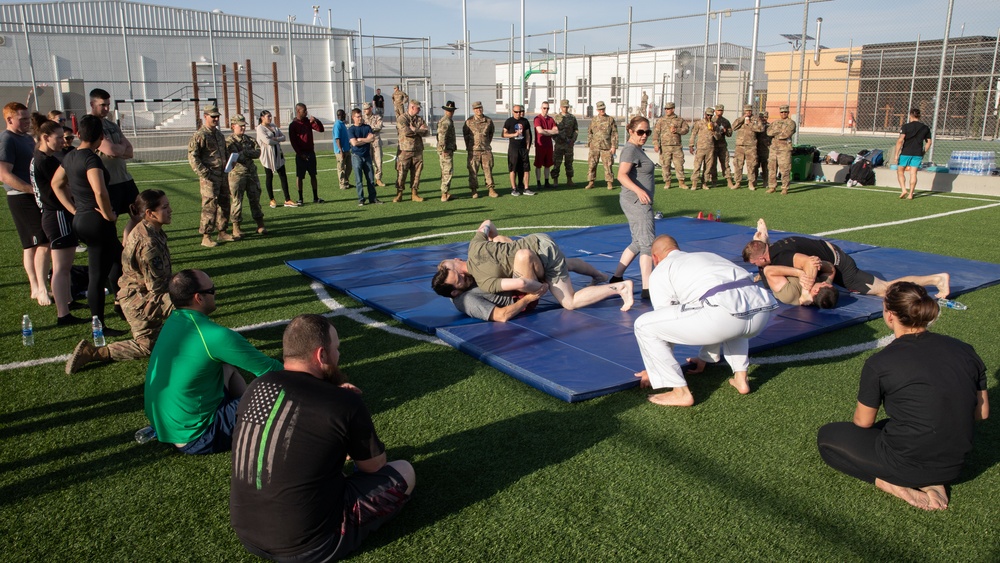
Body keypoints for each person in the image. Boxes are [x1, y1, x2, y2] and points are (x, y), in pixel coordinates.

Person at [230, 314, 415, 561]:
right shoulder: (345, 402)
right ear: (321, 355)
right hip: (310, 546)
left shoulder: (257, 386)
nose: (339, 355)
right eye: (336, 349)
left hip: (246, 533)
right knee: (404, 471)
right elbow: (373, 466)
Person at [817, 282, 988, 510]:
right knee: (895, 424)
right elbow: (981, 413)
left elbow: (863, 422)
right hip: (954, 466)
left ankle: (894, 485)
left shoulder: (881, 362)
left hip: (906, 465)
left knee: (827, 437)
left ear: (889, 315)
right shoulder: (965, 349)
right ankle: (933, 482)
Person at [144, 269, 283, 455]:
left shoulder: (174, 320)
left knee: (226, 367)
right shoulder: (214, 336)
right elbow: (273, 371)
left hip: (168, 427)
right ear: (198, 298)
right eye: (212, 289)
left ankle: (242, 413)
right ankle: (248, 420)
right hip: (198, 437)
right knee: (277, 390)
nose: (215, 293)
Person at [634, 235, 778, 406]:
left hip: (724, 315)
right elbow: (727, 305)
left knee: (644, 325)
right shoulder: (708, 255)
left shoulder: (661, 270)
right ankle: (741, 378)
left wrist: (654, 369)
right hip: (760, 311)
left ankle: (680, 392)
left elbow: (663, 326)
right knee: (733, 309)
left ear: (655, 258)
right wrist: (704, 358)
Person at [66, 189, 174, 373]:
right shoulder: (149, 243)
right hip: (139, 301)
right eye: (164, 207)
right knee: (190, 302)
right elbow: (157, 288)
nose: (170, 210)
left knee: (188, 297)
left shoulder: (149, 229)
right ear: (149, 213)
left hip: (138, 295)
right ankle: (93, 353)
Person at [742, 219, 951, 308]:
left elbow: (810, 264)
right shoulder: (770, 253)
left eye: (755, 262)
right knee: (766, 267)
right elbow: (762, 254)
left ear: (763, 256)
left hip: (839, 262)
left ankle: (936, 279)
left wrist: (806, 290)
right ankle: (763, 238)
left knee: (885, 290)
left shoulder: (785, 257)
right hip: (820, 253)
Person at [433, 219, 634, 312]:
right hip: (537, 240)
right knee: (563, 265)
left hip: (538, 254)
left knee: (570, 302)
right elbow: (487, 223)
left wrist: (540, 288)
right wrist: (501, 244)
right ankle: (599, 275)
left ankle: (619, 287)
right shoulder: (475, 246)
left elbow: (521, 282)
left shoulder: (485, 282)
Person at [50, 114, 128, 336]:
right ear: (101, 137)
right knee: (96, 276)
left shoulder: (71, 156)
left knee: (119, 261)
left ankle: (119, 303)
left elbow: (56, 184)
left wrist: (74, 210)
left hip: (82, 220)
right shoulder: (91, 159)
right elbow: (100, 191)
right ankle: (99, 327)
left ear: (78, 134)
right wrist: (108, 215)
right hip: (97, 222)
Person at [30, 115, 81, 324]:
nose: (63, 141)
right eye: (59, 137)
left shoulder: (43, 158)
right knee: (61, 267)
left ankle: (67, 300)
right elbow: (62, 187)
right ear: (45, 137)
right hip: (56, 214)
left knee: (65, 265)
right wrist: (74, 207)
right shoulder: (45, 161)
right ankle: (63, 314)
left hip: (55, 214)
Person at [1, 102, 51, 306]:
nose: (27, 122)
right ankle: (41, 288)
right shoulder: (6, 140)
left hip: (30, 195)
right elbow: (4, 174)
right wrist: (31, 189)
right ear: (9, 119)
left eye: (27, 118)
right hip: (20, 197)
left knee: (31, 244)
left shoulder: (26, 138)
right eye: (22, 119)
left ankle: (35, 286)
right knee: (43, 242)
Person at [609, 116, 656, 301]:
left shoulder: (636, 149)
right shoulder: (630, 150)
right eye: (640, 132)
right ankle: (647, 289)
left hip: (636, 201)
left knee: (638, 241)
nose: (644, 135)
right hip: (637, 202)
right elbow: (621, 175)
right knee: (647, 244)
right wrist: (639, 191)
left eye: (647, 132)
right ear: (630, 131)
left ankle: (616, 276)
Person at [89, 88, 140, 240]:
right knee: (111, 220)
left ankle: (126, 245)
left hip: (125, 179)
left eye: (108, 105)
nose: (106, 108)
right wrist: (118, 148)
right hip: (108, 182)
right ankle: (111, 252)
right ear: (92, 104)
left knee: (139, 214)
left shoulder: (112, 125)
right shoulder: (90, 124)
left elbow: (129, 151)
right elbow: (111, 150)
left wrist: (118, 149)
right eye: (102, 105)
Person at [188, 104, 234, 248]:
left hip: (223, 175)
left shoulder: (219, 135)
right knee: (210, 206)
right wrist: (204, 172)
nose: (216, 119)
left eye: (217, 116)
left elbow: (224, 153)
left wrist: (230, 163)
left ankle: (222, 231)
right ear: (205, 116)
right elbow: (193, 157)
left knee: (225, 203)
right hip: (209, 177)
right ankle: (206, 236)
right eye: (213, 116)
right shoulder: (200, 135)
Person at [226, 114, 266, 238]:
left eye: (244, 126)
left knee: (255, 199)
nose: (243, 128)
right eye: (240, 126)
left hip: (251, 173)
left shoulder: (249, 140)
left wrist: (244, 153)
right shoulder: (228, 142)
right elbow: (229, 156)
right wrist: (245, 154)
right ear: (233, 126)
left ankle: (260, 224)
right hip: (237, 175)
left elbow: (258, 151)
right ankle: (236, 227)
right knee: (237, 201)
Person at [256, 109, 296, 208]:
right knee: (269, 176)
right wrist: (275, 140)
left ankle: (287, 199)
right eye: (268, 116)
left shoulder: (273, 126)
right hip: (268, 155)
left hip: (278, 154)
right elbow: (267, 141)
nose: (270, 118)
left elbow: (283, 137)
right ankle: (272, 199)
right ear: (262, 117)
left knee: (283, 176)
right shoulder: (260, 128)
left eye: (270, 116)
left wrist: (276, 139)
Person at [288, 103, 325, 205]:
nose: (306, 112)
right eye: (304, 110)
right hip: (301, 155)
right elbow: (293, 142)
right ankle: (300, 198)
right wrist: (300, 154)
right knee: (300, 176)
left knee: (313, 175)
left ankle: (315, 197)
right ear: (298, 111)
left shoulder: (308, 122)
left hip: (310, 153)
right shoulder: (293, 125)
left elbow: (321, 129)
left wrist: (316, 121)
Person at [394, 100, 429, 203]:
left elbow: (426, 132)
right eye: (418, 108)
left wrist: (415, 129)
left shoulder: (419, 119)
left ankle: (414, 193)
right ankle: (399, 194)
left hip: (417, 150)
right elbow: (406, 132)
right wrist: (418, 130)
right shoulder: (402, 118)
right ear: (412, 107)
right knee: (401, 173)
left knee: (417, 174)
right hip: (405, 150)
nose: (419, 110)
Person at [894, 108, 932, 200]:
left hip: (906, 152)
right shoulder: (925, 127)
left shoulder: (906, 126)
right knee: (913, 173)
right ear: (919, 116)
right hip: (917, 153)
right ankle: (911, 194)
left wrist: (896, 154)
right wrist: (923, 152)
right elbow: (929, 143)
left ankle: (903, 189)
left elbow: (900, 140)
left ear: (910, 115)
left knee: (900, 171)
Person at [463, 101, 498, 198]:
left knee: (488, 170)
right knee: (473, 171)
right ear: (473, 110)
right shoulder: (468, 122)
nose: (479, 110)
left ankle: (491, 189)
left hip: (486, 150)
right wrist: (470, 147)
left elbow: (491, 134)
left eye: (480, 108)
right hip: (473, 151)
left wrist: (485, 144)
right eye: (476, 108)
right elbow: (466, 136)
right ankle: (474, 190)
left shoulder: (488, 121)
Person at [651, 101, 689, 189]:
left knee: (679, 164)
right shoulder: (661, 120)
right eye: (666, 109)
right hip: (665, 146)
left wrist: (677, 130)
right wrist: (656, 144)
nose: (667, 110)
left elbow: (686, 129)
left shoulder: (679, 119)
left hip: (676, 146)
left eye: (668, 109)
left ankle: (681, 182)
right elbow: (656, 133)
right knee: (665, 165)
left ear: (673, 109)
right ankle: (667, 182)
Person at [347, 108, 380, 206]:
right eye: (358, 117)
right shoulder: (351, 129)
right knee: (359, 179)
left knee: (370, 179)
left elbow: (372, 138)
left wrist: (361, 139)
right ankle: (361, 199)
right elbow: (354, 143)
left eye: (361, 116)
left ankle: (373, 198)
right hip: (356, 156)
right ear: (353, 118)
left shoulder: (367, 127)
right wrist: (366, 139)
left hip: (367, 156)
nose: (360, 118)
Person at [585, 101, 617, 190]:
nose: (602, 110)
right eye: (600, 109)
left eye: (603, 108)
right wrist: (590, 143)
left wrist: (613, 146)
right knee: (592, 165)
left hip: (606, 146)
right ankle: (591, 182)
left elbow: (614, 133)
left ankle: (609, 183)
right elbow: (590, 132)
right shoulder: (594, 120)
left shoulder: (610, 119)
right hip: (594, 147)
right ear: (597, 110)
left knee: (608, 165)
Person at [731, 104, 764, 190]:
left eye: (749, 111)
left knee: (751, 165)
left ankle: (751, 183)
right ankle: (737, 182)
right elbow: (733, 127)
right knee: (738, 164)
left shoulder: (756, 119)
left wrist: (750, 124)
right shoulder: (740, 119)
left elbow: (761, 129)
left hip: (751, 146)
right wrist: (743, 118)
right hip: (740, 146)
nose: (748, 112)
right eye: (746, 111)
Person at [503, 105, 533, 196]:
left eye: (520, 112)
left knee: (526, 169)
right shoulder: (509, 121)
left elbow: (528, 135)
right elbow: (504, 134)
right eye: (516, 112)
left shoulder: (525, 121)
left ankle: (526, 188)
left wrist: (527, 147)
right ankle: (514, 188)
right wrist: (514, 134)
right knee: (513, 169)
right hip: (513, 149)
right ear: (513, 112)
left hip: (523, 149)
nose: (518, 114)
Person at [766, 105, 797, 195]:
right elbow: (768, 132)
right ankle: (772, 186)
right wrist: (779, 132)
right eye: (782, 112)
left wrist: (776, 134)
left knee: (785, 169)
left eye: (785, 112)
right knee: (772, 168)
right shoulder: (775, 122)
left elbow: (786, 134)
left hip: (784, 149)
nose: (783, 114)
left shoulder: (791, 123)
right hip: (773, 149)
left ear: (788, 113)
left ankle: (785, 187)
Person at [688, 107, 719, 190]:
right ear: (705, 114)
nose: (709, 116)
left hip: (710, 148)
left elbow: (718, 137)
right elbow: (693, 134)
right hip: (701, 148)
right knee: (697, 166)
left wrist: (713, 131)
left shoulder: (714, 124)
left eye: (711, 115)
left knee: (708, 167)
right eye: (708, 115)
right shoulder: (699, 123)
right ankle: (694, 183)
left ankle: (704, 183)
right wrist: (691, 145)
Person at [551, 99, 578, 187]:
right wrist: (556, 139)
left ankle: (569, 180)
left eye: (566, 107)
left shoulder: (572, 118)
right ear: (560, 107)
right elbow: (553, 130)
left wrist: (573, 140)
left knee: (569, 163)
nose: (565, 108)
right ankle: (555, 180)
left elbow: (576, 130)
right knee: (556, 163)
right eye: (563, 107)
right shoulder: (556, 118)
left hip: (569, 144)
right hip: (559, 144)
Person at [532, 101, 558, 189]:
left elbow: (556, 131)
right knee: (538, 165)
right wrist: (550, 132)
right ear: (541, 108)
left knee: (548, 165)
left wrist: (545, 131)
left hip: (549, 145)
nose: (546, 110)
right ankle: (538, 182)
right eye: (544, 108)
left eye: (547, 108)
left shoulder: (551, 119)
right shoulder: (537, 119)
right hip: (540, 145)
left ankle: (546, 182)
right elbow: (540, 131)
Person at [709, 104, 735, 189]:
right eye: (718, 110)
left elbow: (730, 134)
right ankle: (714, 181)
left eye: (721, 110)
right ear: (715, 111)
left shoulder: (725, 121)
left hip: (722, 145)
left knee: (725, 163)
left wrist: (726, 131)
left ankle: (729, 180)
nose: (720, 112)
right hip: (712, 145)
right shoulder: (711, 120)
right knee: (713, 164)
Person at [362, 102, 386, 186]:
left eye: (367, 109)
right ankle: (370, 179)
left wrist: (368, 129)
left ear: (371, 108)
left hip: (375, 142)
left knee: (378, 161)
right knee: (367, 162)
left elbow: (379, 127)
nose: (365, 110)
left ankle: (378, 179)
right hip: (366, 143)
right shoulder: (362, 119)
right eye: (364, 109)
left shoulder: (377, 117)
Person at [437, 101, 458, 201]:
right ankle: (444, 194)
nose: (451, 112)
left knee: (445, 171)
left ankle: (446, 192)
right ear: (445, 110)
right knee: (447, 171)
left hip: (448, 149)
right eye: (449, 110)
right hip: (446, 151)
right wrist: (444, 149)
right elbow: (441, 136)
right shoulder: (446, 121)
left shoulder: (448, 120)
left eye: (452, 110)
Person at [333, 109, 352, 193]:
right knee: (341, 168)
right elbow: (337, 139)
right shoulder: (337, 125)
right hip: (340, 151)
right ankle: (342, 184)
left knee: (349, 167)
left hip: (347, 149)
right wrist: (341, 150)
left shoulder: (343, 124)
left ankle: (346, 181)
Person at [754, 111, 770, 186]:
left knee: (765, 166)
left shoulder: (769, 126)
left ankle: (765, 181)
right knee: (755, 165)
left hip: (765, 149)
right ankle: (755, 180)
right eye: (762, 117)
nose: (764, 119)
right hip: (756, 149)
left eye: (765, 117)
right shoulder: (756, 126)